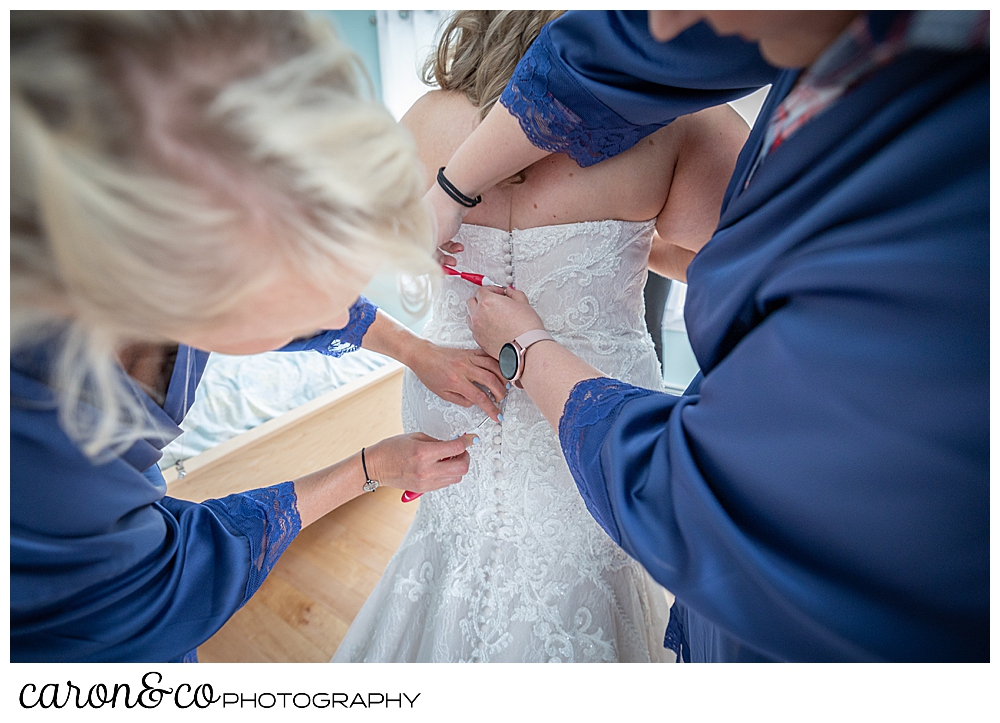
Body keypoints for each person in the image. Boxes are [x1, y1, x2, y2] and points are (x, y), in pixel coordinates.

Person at [449, 11, 987, 661]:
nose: (669, 20)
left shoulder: (956, 221)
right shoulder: (841, 53)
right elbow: (730, 255)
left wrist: (527, 346)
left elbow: (697, 500)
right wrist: (611, 244)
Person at [10, 10, 507, 663]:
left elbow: (302, 315)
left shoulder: (166, 279)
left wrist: (415, 350)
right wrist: (370, 466)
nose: (339, 317)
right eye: (325, 296)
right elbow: (164, 585)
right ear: (191, 277)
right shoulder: (33, 439)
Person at [332, 11, 748, 662]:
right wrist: (632, 247)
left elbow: (362, 258)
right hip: (588, 423)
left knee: (455, 570)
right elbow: (746, 267)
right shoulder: (675, 128)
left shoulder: (422, 120)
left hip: (452, 409)